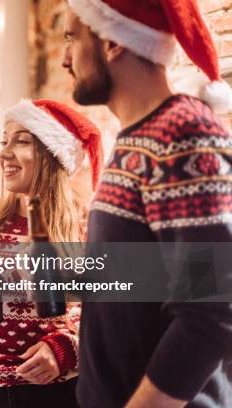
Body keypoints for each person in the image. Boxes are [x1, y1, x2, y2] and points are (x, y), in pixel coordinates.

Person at [61, 0, 232, 406]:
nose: (66, 58)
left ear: (112, 43)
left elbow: (210, 307)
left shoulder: (183, 135)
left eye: (73, 37)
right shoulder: (138, 139)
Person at [0, 99, 103, 407]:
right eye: (4, 141)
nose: (4, 153)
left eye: (21, 141)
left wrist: (66, 348)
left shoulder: (88, 224)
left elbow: (107, 315)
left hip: (65, 391)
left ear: (52, 154)